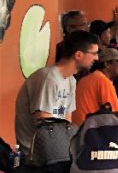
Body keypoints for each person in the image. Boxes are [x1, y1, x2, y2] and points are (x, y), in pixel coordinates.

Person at [14, 30, 98, 160]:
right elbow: (43, 123)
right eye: (94, 53)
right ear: (79, 55)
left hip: (56, 151)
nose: (97, 58)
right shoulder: (48, 77)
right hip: (36, 155)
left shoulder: (71, 80)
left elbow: (67, 122)